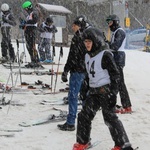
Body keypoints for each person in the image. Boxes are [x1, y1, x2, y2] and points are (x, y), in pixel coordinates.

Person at [72, 27, 134, 150]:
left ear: (95, 41)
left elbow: (115, 75)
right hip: (94, 92)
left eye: (89, 42)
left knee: (109, 117)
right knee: (84, 116)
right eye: (85, 42)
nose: (87, 44)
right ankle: (83, 141)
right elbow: (88, 75)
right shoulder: (87, 56)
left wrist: (113, 93)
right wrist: (84, 90)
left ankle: (123, 144)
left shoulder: (105, 54)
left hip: (106, 91)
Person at [57, 15, 87, 131]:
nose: (72, 27)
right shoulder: (88, 36)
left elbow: (72, 55)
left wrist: (66, 70)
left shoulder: (77, 37)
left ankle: (70, 122)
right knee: (84, 95)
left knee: (73, 96)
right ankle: (86, 117)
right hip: (86, 70)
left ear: (78, 26)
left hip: (77, 70)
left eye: (74, 25)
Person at [105, 14, 132, 114]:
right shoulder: (116, 32)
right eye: (108, 23)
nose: (109, 25)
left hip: (118, 58)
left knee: (120, 83)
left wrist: (106, 44)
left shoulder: (120, 32)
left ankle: (127, 106)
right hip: (115, 58)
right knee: (115, 83)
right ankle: (112, 104)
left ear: (115, 22)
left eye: (110, 22)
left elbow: (115, 46)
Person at [20, 1, 41, 68]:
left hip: (32, 31)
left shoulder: (34, 12)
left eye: (26, 9)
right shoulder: (29, 14)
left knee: (32, 46)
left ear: (29, 7)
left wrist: (26, 22)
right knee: (28, 46)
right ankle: (33, 60)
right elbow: (28, 23)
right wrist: (23, 25)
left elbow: (35, 20)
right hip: (28, 31)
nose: (25, 10)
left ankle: (36, 61)